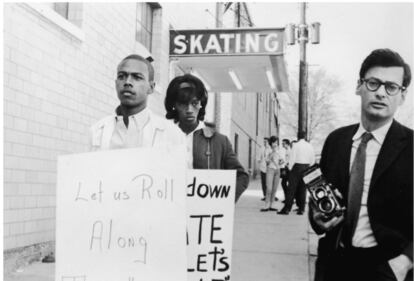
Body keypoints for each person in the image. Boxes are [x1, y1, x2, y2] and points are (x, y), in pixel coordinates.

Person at [309, 49, 413, 281]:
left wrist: (404, 263)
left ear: (402, 96)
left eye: (391, 87)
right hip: (334, 264)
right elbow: (318, 204)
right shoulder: (336, 141)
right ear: (359, 86)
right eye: (374, 83)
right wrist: (317, 219)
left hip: (388, 269)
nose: (381, 94)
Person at [164, 73, 249, 202]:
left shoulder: (219, 141)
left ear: (201, 104)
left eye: (194, 103)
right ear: (174, 105)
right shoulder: (161, 137)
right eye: (183, 104)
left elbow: (241, 176)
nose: (189, 109)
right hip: (169, 212)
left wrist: (224, 201)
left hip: (204, 216)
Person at [89, 54, 185, 150]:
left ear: (151, 87)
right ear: (115, 83)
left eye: (137, 77)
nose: (127, 82)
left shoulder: (172, 134)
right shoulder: (97, 131)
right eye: (121, 76)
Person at [278, 132, 315, 215]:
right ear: (305, 136)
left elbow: (292, 157)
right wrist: (309, 167)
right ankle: (301, 209)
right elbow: (313, 158)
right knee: (303, 189)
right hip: (306, 167)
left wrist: (290, 168)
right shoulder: (309, 146)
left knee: (291, 189)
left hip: (296, 167)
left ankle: (287, 209)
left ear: (298, 137)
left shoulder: (296, 145)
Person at [260, 136, 282, 212]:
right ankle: (266, 205)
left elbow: (282, 161)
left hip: (277, 170)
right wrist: (272, 153)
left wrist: (280, 161)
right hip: (270, 169)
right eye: (274, 142)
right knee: (269, 188)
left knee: (274, 189)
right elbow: (267, 161)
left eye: (276, 142)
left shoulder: (279, 150)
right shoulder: (268, 150)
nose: (275, 144)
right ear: (271, 143)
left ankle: (272, 204)